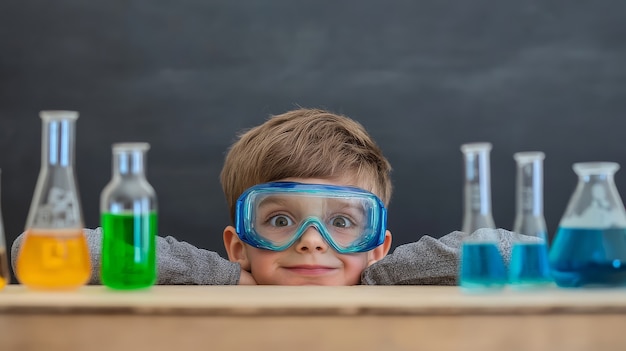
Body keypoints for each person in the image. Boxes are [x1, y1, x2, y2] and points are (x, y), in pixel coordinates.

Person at [11, 108, 519, 285]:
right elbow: (32, 249)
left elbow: (507, 249)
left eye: (342, 222)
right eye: (279, 221)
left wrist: (377, 275)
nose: (312, 242)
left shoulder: (381, 274)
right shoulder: (222, 280)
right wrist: (228, 278)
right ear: (238, 244)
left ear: (379, 243)